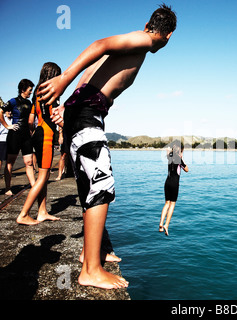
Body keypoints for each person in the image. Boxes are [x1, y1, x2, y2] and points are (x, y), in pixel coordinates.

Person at [39, 4, 177, 290]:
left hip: (83, 111)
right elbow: (99, 45)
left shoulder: (137, 43)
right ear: (169, 35)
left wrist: (67, 106)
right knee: (101, 185)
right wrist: (64, 80)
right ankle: (90, 270)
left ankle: (91, 253)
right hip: (87, 114)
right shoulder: (145, 39)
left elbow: (92, 71)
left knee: (88, 187)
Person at [16, 63, 62, 225]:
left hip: (38, 132)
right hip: (47, 136)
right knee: (43, 177)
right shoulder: (51, 91)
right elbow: (55, 115)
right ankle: (23, 214)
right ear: (53, 75)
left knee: (43, 175)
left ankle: (42, 212)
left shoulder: (37, 92)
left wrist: (34, 133)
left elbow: (31, 119)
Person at [0, 79, 36, 196]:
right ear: (22, 89)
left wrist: (32, 131)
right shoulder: (13, 101)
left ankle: (34, 186)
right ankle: (7, 188)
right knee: (10, 162)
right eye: (29, 90)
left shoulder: (30, 103)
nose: (31, 92)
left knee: (29, 162)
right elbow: (0, 111)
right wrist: (7, 126)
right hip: (14, 134)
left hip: (26, 135)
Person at [159, 141, 188, 236]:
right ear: (180, 150)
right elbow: (187, 169)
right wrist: (182, 156)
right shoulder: (179, 159)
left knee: (167, 203)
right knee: (172, 204)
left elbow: (168, 150)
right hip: (174, 184)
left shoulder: (169, 156)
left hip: (167, 183)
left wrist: (173, 149)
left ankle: (160, 224)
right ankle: (166, 225)